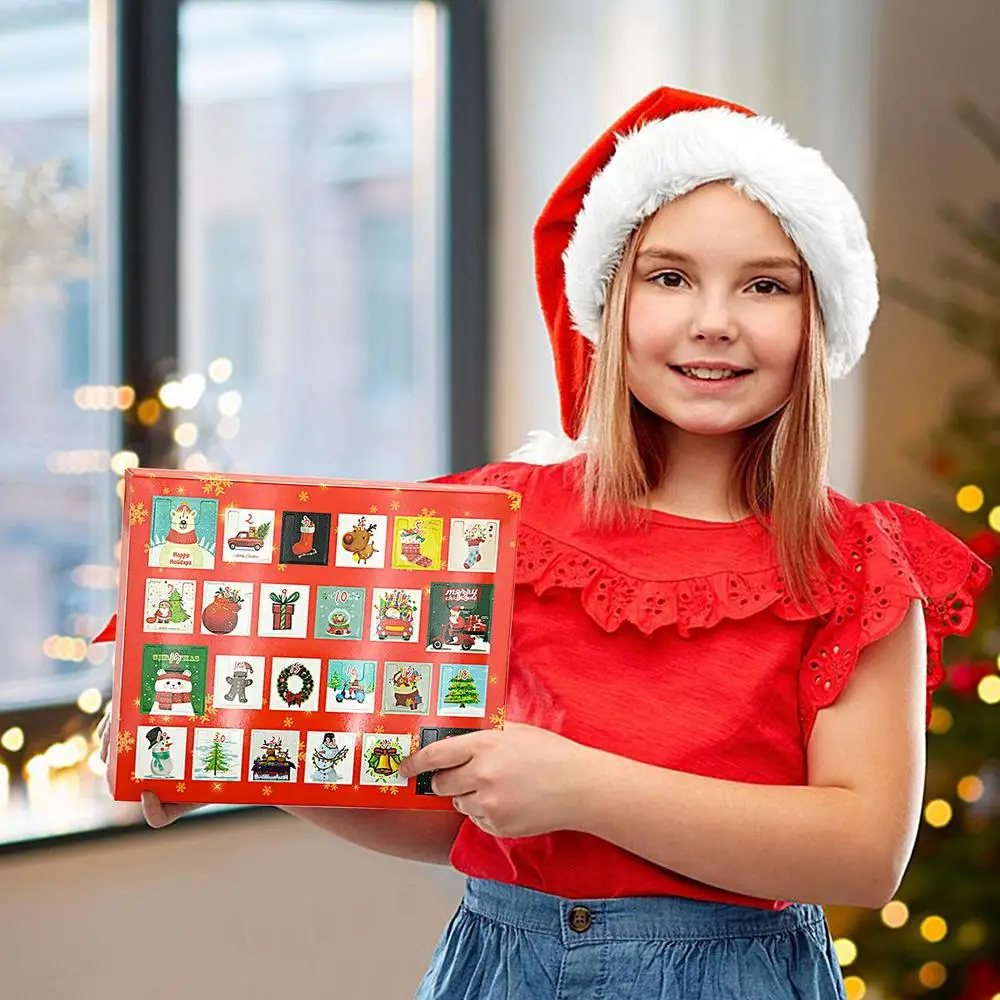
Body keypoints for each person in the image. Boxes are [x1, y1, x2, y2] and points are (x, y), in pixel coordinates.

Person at [98, 86, 992, 998]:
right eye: (670, 277)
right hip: (501, 968)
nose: (714, 318)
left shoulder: (856, 564)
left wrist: (581, 787)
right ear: (605, 306)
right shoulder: (495, 527)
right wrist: (252, 760)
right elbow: (451, 820)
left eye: (765, 284)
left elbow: (861, 854)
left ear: (818, 321)